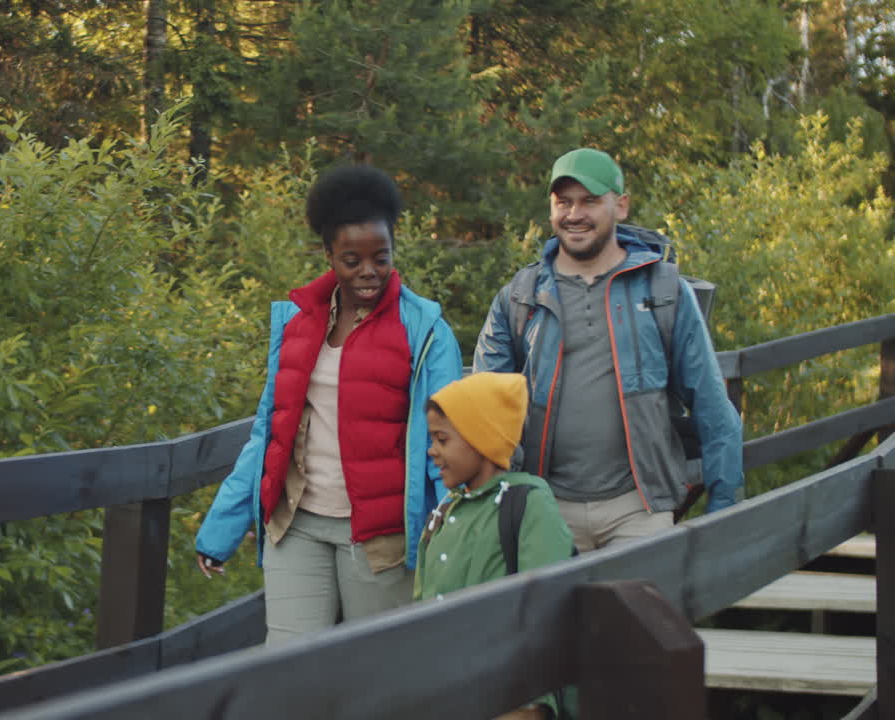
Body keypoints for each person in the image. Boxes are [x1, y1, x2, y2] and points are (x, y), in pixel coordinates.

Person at [194, 164, 464, 645]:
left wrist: (455, 534)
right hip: (296, 523)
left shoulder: (425, 332)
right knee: (288, 668)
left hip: (380, 539)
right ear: (328, 255)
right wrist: (222, 528)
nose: (368, 272)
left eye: (381, 258)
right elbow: (268, 432)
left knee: (374, 675)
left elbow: (443, 443)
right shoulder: (298, 325)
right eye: (352, 259)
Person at [472, 147, 743, 553]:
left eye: (590, 201)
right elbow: (483, 414)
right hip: (544, 509)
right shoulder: (519, 298)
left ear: (621, 205)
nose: (574, 214)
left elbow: (711, 405)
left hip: (638, 509)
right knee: (550, 620)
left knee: (637, 616)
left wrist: (723, 507)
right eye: (563, 202)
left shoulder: (665, 291)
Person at [415, 372, 574, 720]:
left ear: (480, 440)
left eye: (442, 439)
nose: (432, 451)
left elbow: (547, 613)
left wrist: (533, 706)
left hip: (505, 699)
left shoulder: (530, 504)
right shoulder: (444, 511)